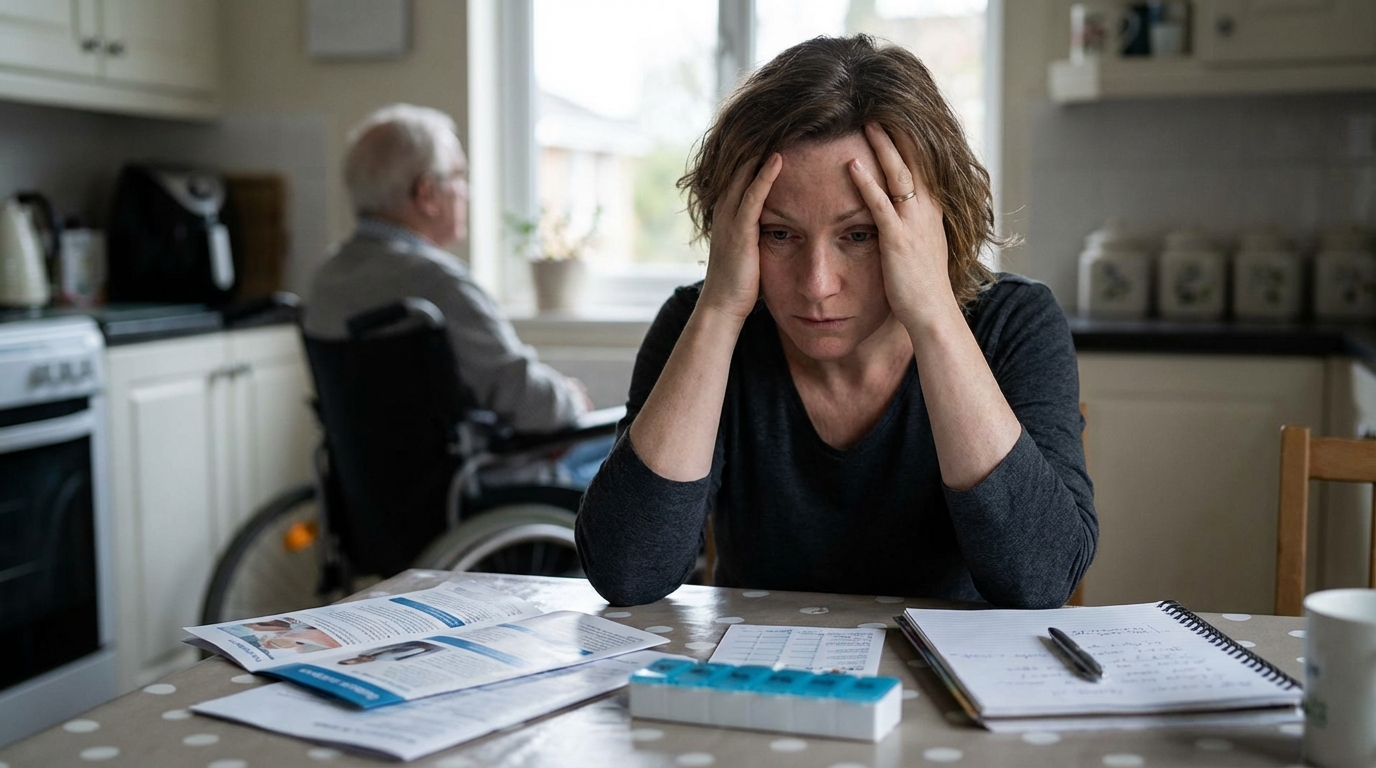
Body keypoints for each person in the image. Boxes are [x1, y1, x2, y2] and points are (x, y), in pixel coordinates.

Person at [576, 35, 1096, 609]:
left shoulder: (1014, 324)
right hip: (757, 684)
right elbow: (628, 574)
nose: (817, 283)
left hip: (957, 688)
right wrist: (720, 311)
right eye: (779, 234)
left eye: (860, 235)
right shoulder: (699, 325)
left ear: (932, 227)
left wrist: (934, 314)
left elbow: (1041, 579)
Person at [305, 103, 589, 434]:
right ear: (427, 194)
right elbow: (532, 406)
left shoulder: (325, 279)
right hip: (482, 478)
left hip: (377, 485)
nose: (467, 191)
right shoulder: (438, 284)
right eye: (459, 175)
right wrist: (571, 398)